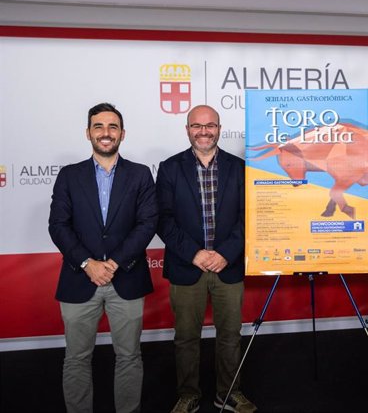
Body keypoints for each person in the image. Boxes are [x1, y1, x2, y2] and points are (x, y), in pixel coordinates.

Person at [48, 103, 157, 413]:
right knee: (77, 357)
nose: (106, 133)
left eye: (112, 127)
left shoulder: (140, 174)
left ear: (122, 133)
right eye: (99, 126)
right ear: (88, 133)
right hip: (79, 279)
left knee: (129, 356)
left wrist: (112, 264)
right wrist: (88, 263)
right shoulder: (69, 175)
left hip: (127, 277)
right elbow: (58, 225)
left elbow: (147, 223)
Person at [156, 104, 256, 413]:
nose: (204, 131)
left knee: (230, 336)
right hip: (188, 266)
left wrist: (226, 252)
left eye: (210, 125)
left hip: (229, 265)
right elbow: (163, 219)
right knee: (186, 337)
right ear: (187, 129)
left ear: (219, 128)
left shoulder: (239, 167)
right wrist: (195, 253)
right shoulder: (170, 168)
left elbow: (248, 216)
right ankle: (188, 394)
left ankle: (228, 393)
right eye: (197, 126)